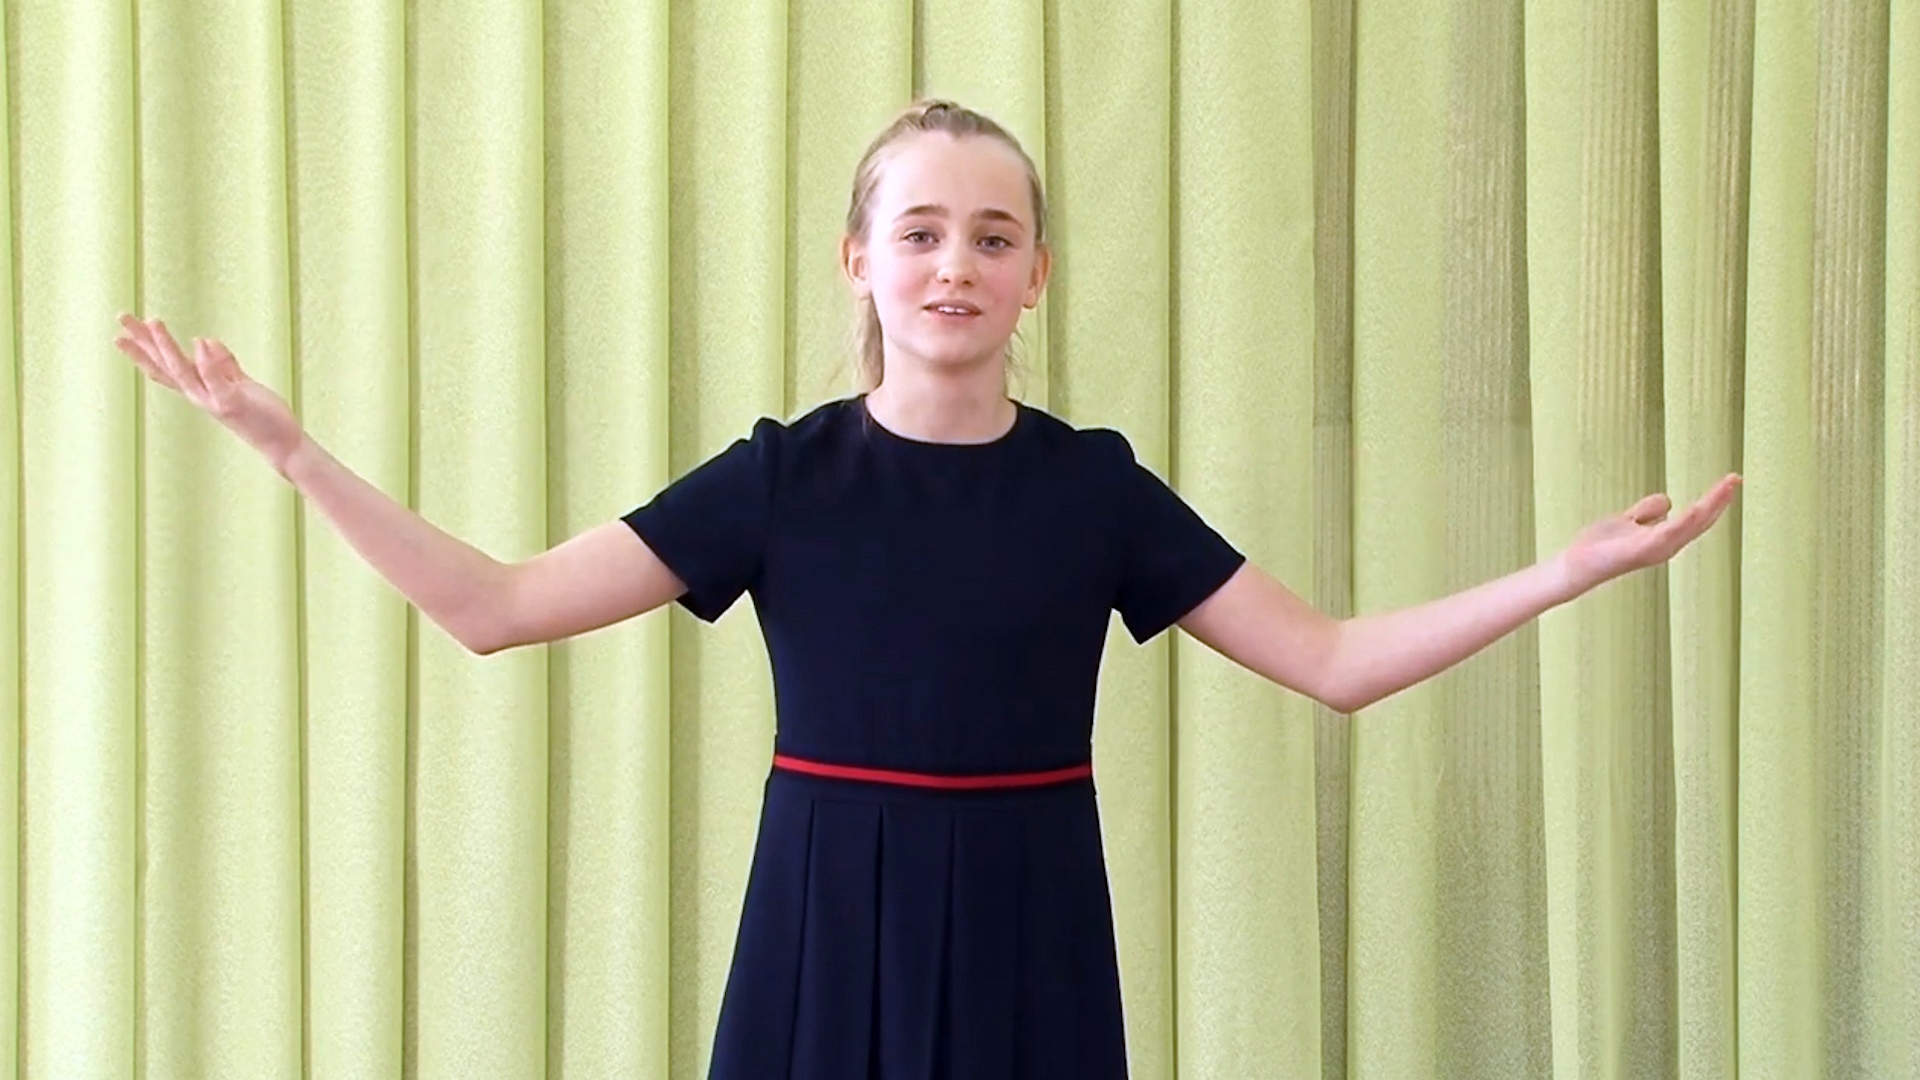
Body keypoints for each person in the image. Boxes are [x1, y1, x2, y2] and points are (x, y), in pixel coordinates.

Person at [113, 99, 1740, 1078]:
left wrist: (1567, 570)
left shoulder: (1094, 487)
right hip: (826, 919)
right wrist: (290, 449)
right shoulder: (780, 478)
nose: (955, 263)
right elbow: (494, 606)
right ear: (861, 261)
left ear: (1036, 274)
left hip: (1034, 922)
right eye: (920, 232)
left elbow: (1335, 661)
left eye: (993, 235)